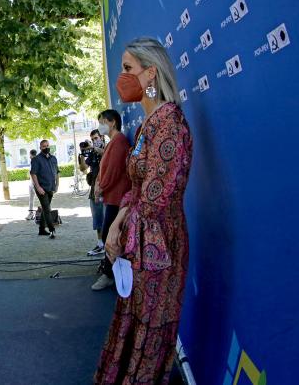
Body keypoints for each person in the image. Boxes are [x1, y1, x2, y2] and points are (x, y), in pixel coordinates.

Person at [95, 37, 193, 384]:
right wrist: (116, 224)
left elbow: (154, 198)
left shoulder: (169, 123)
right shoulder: (148, 124)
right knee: (133, 321)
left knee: (150, 327)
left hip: (158, 247)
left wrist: (120, 228)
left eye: (128, 68)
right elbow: (135, 189)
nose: (121, 77)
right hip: (139, 243)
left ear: (150, 73)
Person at [91, 109, 132, 291]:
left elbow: (113, 170)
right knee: (109, 234)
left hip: (118, 198)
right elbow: (104, 168)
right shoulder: (112, 142)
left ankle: (109, 274)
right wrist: (98, 184)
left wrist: (101, 186)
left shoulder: (119, 141)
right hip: (113, 197)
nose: (100, 126)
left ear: (112, 122)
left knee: (110, 235)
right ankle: (112, 271)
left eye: (102, 122)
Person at [80, 131, 106, 255]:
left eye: (96, 138)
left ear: (102, 137)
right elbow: (83, 168)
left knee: (108, 217)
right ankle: (100, 243)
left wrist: (93, 147)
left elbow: (105, 153)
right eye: (92, 139)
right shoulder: (93, 153)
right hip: (94, 190)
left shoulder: (108, 147)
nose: (94, 141)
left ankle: (108, 244)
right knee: (97, 218)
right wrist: (82, 154)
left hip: (106, 190)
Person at [30, 140, 59, 238]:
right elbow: (33, 174)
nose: (46, 148)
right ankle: (52, 230)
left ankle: (41, 229)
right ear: (40, 148)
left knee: (45, 207)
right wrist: (38, 187)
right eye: (43, 146)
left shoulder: (53, 158)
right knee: (47, 209)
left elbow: (57, 172)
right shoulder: (36, 159)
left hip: (51, 187)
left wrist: (57, 185)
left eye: (47, 145)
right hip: (41, 188)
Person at [25, 149, 37, 220]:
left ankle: (45, 214)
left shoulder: (36, 161)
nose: (29, 156)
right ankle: (31, 213)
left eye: (29, 155)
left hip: (35, 184)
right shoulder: (32, 162)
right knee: (31, 199)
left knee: (41, 200)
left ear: (31, 154)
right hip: (31, 183)